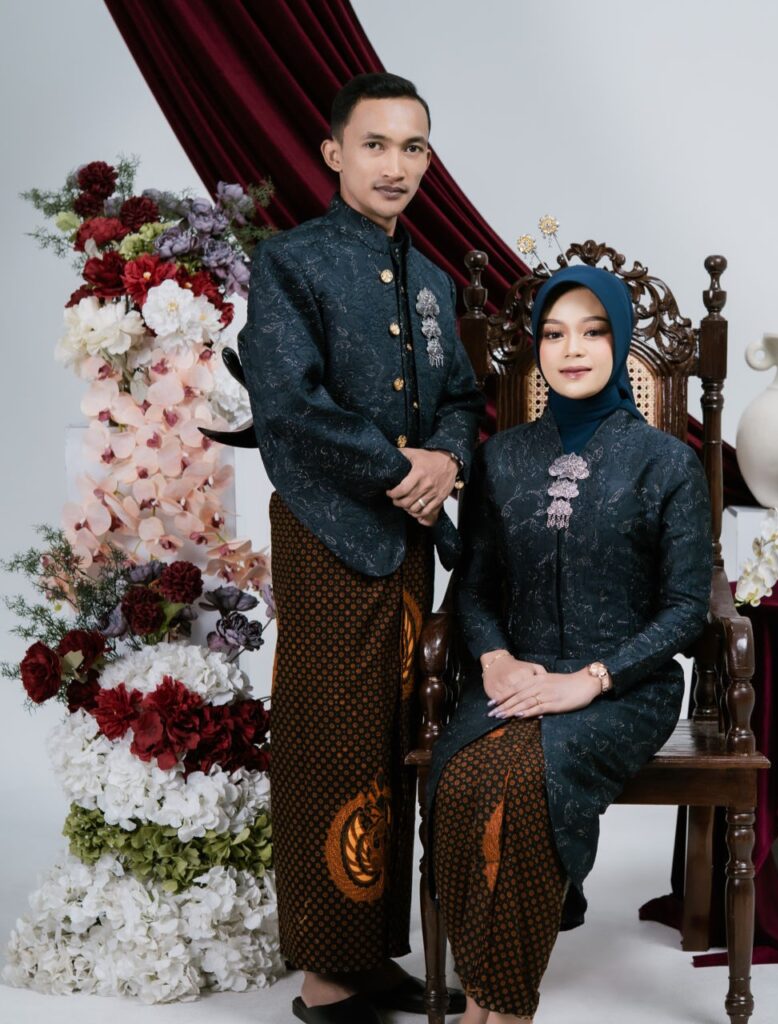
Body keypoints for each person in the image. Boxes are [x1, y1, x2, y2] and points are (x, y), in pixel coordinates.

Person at [237, 73, 481, 1024]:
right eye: (375, 145)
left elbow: (461, 398)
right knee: (328, 741)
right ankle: (325, 976)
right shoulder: (290, 262)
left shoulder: (432, 280)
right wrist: (400, 469)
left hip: (409, 543)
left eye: (412, 147)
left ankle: (372, 957)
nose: (395, 165)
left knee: (395, 743)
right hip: (326, 534)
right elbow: (288, 404)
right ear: (334, 152)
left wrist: (446, 460)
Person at [427, 264, 713, 1022]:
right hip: (514, 674)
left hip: (624, 685)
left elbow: (687, 609)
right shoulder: (501, 457)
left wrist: (593, 678)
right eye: (554, 334)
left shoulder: (667, 461)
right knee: (462, 781)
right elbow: (474, 588)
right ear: (536, 348)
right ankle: (482, 994)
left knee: (528, 783)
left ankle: (504, 1005)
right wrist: (494, 659)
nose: (572, 349)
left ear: (620, 344)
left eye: (592, 332)